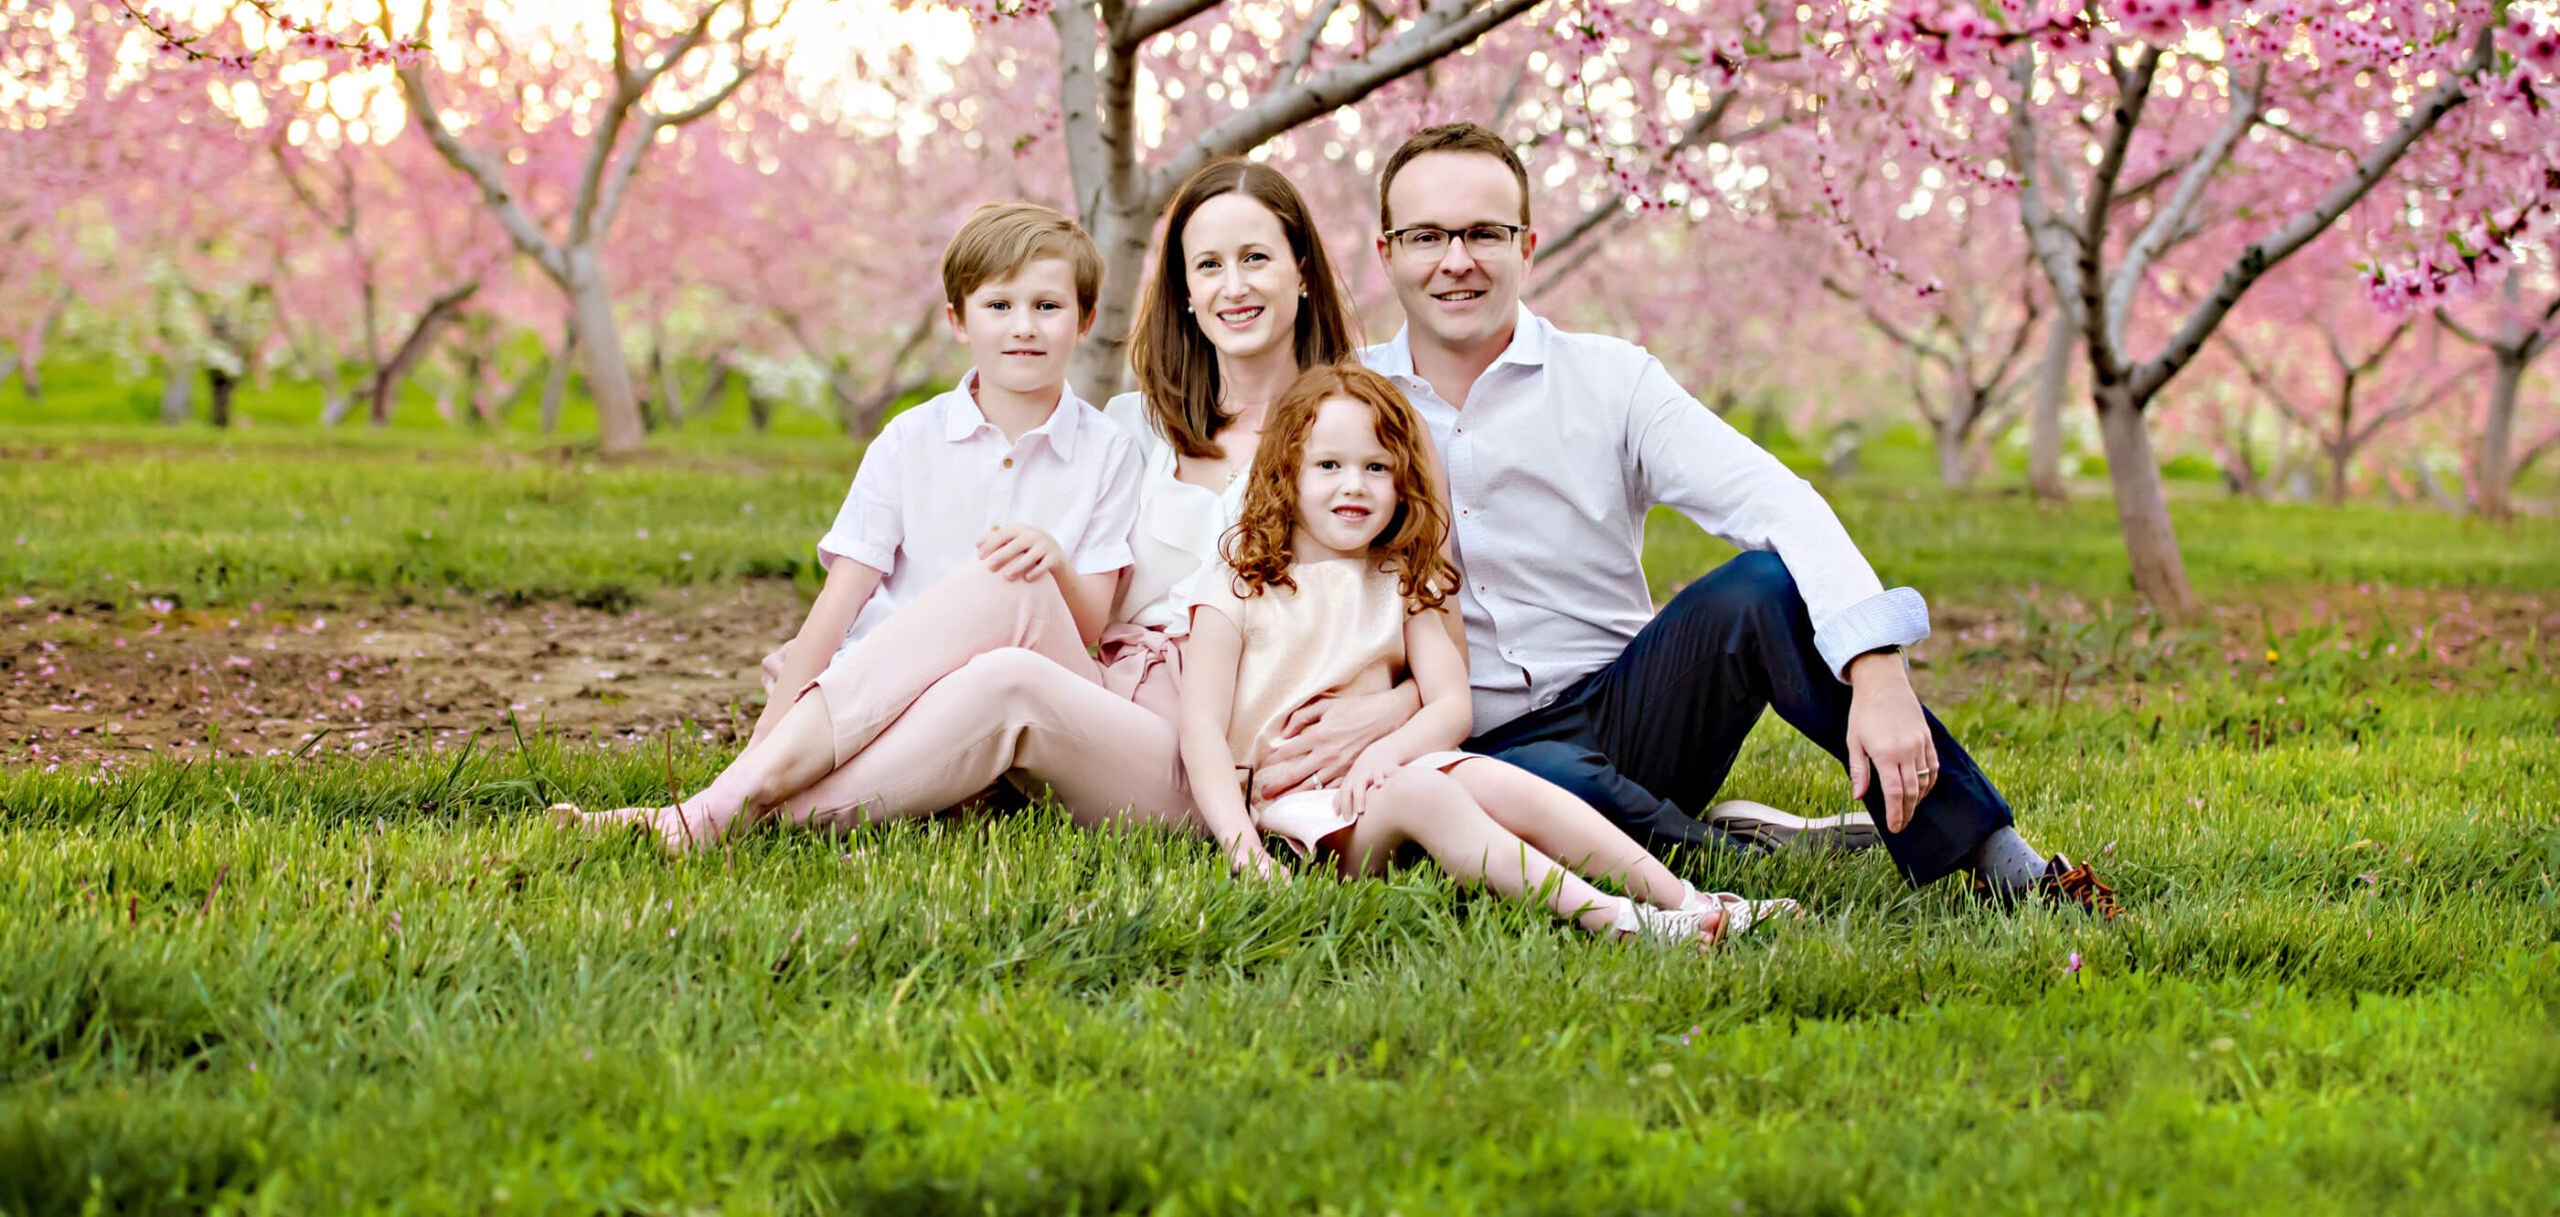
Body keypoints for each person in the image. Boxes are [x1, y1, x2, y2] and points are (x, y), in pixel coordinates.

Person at [1295, 122, 2113, 912]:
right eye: (1427, 237)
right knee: (1550, 776)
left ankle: (1999, 859)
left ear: (1527, 246)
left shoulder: (1612, 381)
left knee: (1763, 585)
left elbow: (1777, 502)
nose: (1457, 262)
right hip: (1467, 748)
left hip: (1634, 714)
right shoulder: (1343, 405)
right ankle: (1734, 856)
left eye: (1484, 233)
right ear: (1388, 254)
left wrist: (1878, 665)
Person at [553, 162, 1369, 847]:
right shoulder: (1140, 427)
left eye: (1257, 257)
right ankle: (721, 808)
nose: (1235, 285)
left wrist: (1389, 717)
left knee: (1017, 621)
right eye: (1209, 265)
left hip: (1223, 736)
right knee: (1009, 601)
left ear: (1302, 268)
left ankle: (718, 812)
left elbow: (1415, 608)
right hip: (1114, 690)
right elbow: (1086, 618)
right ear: (1185, 291)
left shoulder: (1361, 435)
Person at [1177, 364, 1796, 945]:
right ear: (1286, 474)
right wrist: (1242, 850)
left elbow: (1451, 707)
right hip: (1303, 817)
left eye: (1375, 468)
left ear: (1402, 481)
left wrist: (1390, 750)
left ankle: (1689, 900)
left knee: (1501, 780)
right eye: (1329, 464)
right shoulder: (1239, 585)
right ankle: (1620, 920)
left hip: (1387, 780)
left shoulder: (1399, 580)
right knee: (1425, 791)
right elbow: (1201, 729)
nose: (1353, 486)